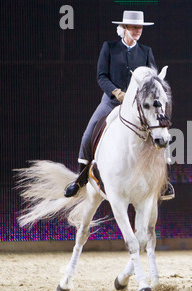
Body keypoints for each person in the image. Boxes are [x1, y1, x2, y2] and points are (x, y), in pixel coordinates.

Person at [64, 11, 175, 200]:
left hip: (138, 107)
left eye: (140, 27)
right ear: (124, 28)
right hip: (112, 101)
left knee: (160, 131)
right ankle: (80, 178)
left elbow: (153, 80)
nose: (137, 30)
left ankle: (165, 182)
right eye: (133, 27)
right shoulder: (109, 48)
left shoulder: (146, 51)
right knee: (89, 132)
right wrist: (116, 92)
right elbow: (101, 76)